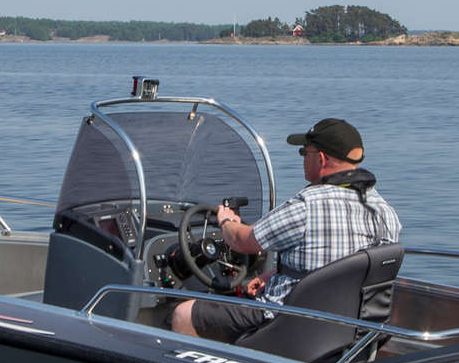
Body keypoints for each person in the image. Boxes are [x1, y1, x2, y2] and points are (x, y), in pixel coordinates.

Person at [171, 118, 402, 342]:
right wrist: (277, 273)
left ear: (321, 158)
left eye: (305, 152)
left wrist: (226, 222)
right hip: (351, 327)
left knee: (184, 314)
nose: (302, 159)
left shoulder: (307, 205)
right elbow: (335, 267)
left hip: (289, 320)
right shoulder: (385, 212)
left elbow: (243, 242)